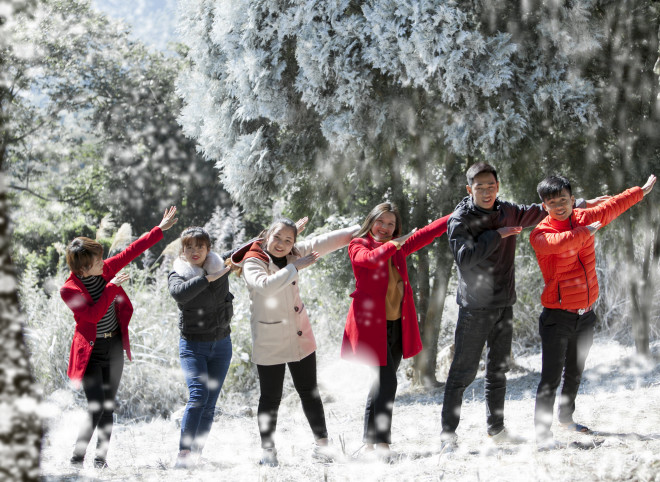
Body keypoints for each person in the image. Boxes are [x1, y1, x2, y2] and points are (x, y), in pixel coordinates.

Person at [440, 163, 604, 448]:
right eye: (480, 187)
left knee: (498, 370)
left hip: (505, 303)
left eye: (491, 186)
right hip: (475, 309)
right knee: (462, 373)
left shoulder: (507, 210)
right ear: (470, 189)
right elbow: (465, 258)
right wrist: (497, 235)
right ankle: (448, 434)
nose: (487, 191)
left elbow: (544, 209)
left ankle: (497, 430)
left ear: (498, 186)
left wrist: (583, 203)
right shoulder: (460, 219)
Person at [530, 174, 656, 450]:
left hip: (586, 313)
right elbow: (560, 243)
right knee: (551, 376)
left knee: (574, 371)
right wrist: (585, 232)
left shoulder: (585, 217)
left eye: (564, 200)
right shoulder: (540, 234)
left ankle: (566, 418)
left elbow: (612, 206)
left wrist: (640, 192)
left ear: (573, 200)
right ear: (544, 206)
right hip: (557, 316)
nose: (559, 206)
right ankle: (541, 432)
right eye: (553, 202)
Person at [231, 217, 360, 467]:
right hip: (270, 339)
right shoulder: (253, 261)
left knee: (309, 392)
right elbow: (265, 287)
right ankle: (268, 452)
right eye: (277, 237)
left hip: (300, 335)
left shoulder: (295, 252)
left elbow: (325, 241)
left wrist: (358, 230)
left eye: (288, 240)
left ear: (294, 243)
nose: (281, 244)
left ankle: (322, 446)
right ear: (267, 235)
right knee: (270, 398)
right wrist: (295, 267)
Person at [61, 206, 178, 469]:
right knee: (96, 407)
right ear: (82, 269)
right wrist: (112, 287)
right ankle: (77, 458)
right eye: (98, 260)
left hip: (112, 345)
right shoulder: (69, 290)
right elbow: (91, 316)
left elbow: (131, 251)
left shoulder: (105, 271)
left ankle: (101, 460)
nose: (104, 262)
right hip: (90, 353)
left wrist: (159, 229)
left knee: (108, 406)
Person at [341, 202, 450, 460]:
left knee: (380, 384)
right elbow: (368, 259)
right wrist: (395, 243)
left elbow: (426, 233)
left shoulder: (398, 248)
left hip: (397, 326)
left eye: (391, 224)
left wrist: (453, 216)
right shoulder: (359, 245)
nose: (385, 228)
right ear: (371, 221)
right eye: (381, 222)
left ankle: (369, 445)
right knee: (388, 382)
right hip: (370, 329)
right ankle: (382, 445)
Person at [168, 226, 236, 468]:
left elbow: (246, 249)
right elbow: (179, 294)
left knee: (209, 404)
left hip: (221, 345)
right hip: (193, 346)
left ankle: (197, 453)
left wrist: (266, 238)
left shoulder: (220, 264)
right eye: (189, 247)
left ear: (208, 249)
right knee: (198, 396)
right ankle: (183, 453)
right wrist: (208, 279)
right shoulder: (178, 274)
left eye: (200, 246)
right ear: (183, 251)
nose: (194, 251)